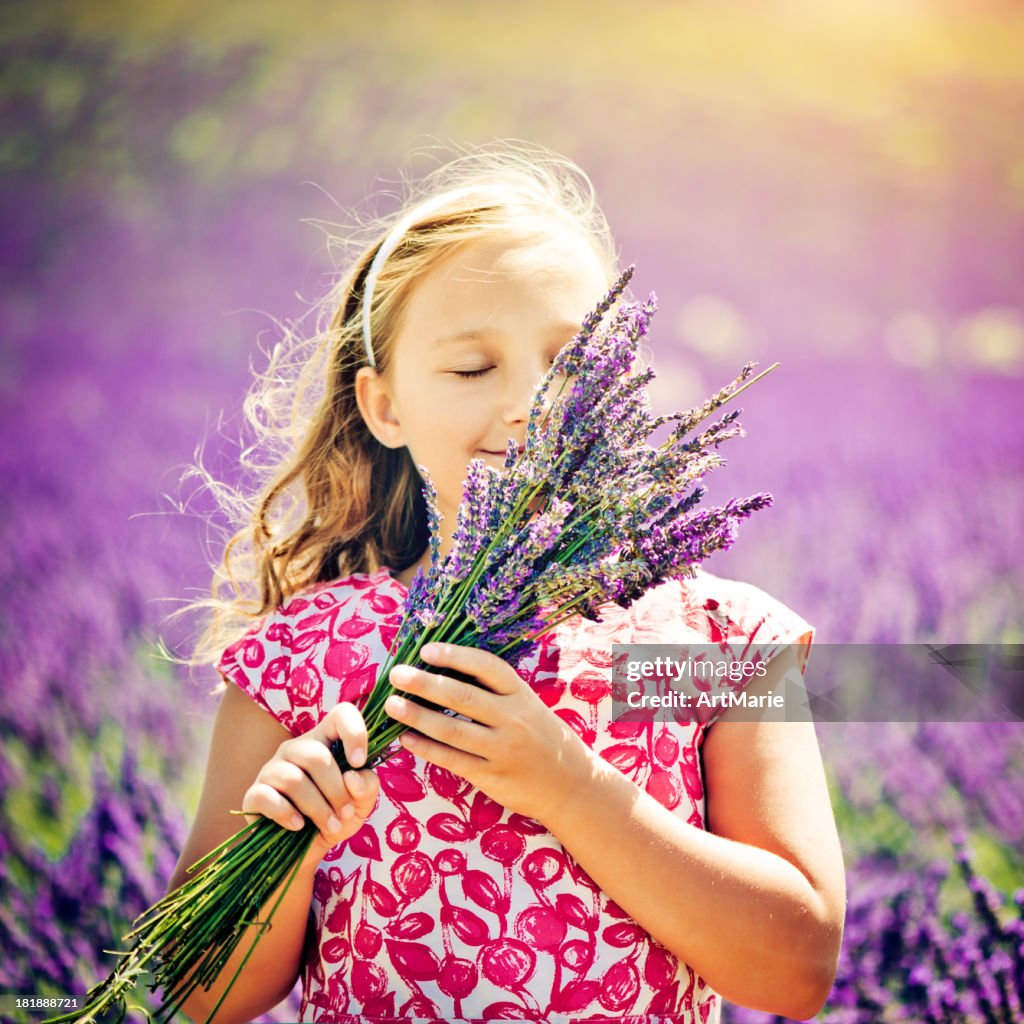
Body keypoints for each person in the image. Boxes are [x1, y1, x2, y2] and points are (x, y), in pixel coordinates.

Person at [168, 140, 846, 1024]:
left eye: (573, 363)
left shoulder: (698, 647)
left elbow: (796, 970)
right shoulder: (310, 657)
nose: (530, 403)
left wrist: (569, 787)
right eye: (472, 367)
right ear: (386, 407)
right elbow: (197, 995)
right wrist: (285, 844)